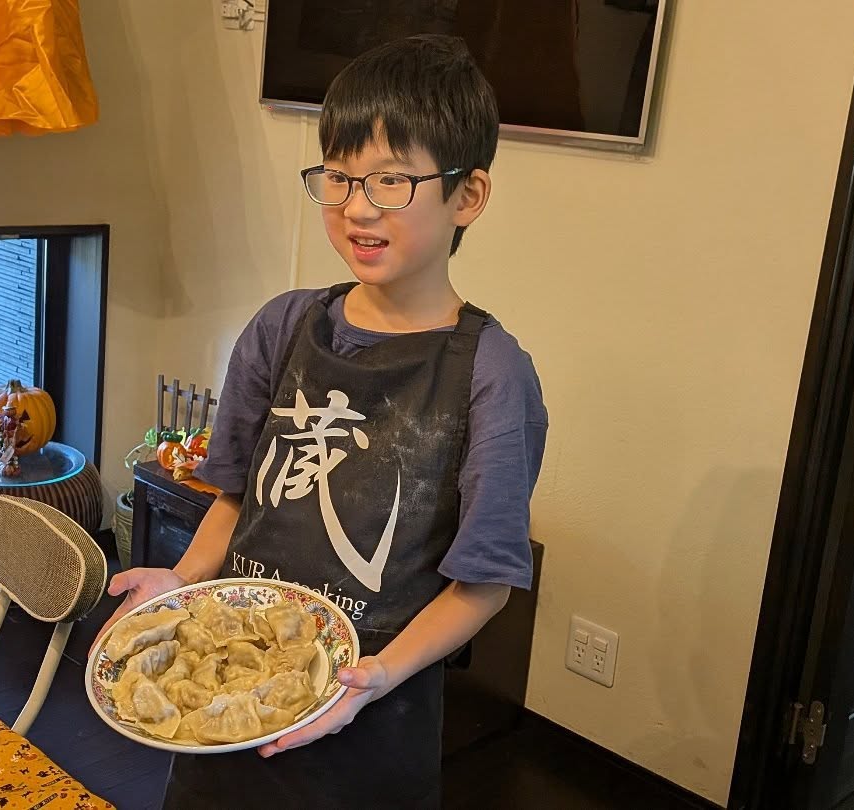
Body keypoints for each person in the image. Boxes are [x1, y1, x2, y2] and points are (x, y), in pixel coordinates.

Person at [103, 35, 548, 807]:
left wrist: (374, 676)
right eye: (338, 177)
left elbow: (484, 585)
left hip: (372, 722)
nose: (357, 208)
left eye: (391, 181)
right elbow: (236, 499)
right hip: (229, 697)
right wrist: (181, 580)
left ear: (468, 195)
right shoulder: (284, 327)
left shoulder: (491, 373)